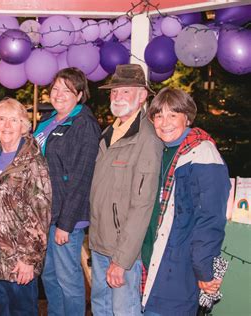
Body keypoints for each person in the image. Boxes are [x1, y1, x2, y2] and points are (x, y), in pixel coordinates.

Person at [141, 87, 230, 315]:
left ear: (187, 118)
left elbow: (210, 218)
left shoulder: (202, 154)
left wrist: (204, 269)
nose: (165, 122)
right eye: (159, 115)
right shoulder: (160, 151)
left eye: (173, 115)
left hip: (177, 270)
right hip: (150, 262)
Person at [89, 64, 163, 316]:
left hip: (121, 250)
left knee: (123, 310)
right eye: (114, 92)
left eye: (125, 92)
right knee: (101, 308)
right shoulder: (109, 132)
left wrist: (121, 260)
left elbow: (143, 206)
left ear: (142, 96)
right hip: (99, 243)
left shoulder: (148, 139)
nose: (117, 97)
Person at [0, 98, 52, 315]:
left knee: (21, 311)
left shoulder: (32, 161)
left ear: (23, 126)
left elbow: (40, 214)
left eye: (13, 120)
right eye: (1, 119)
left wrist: (28, 259)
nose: (6, 125)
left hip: (18, 255)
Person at [34, 67, 101, 315]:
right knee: (49, 276)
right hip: (45, 214)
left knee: (67, 279)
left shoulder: (84, 124)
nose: (59, 94)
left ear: (80, 94)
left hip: (65, 217)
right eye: (55, 89)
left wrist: (66, 223)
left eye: (67, 90)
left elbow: (82, 177)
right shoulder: (48, 121)